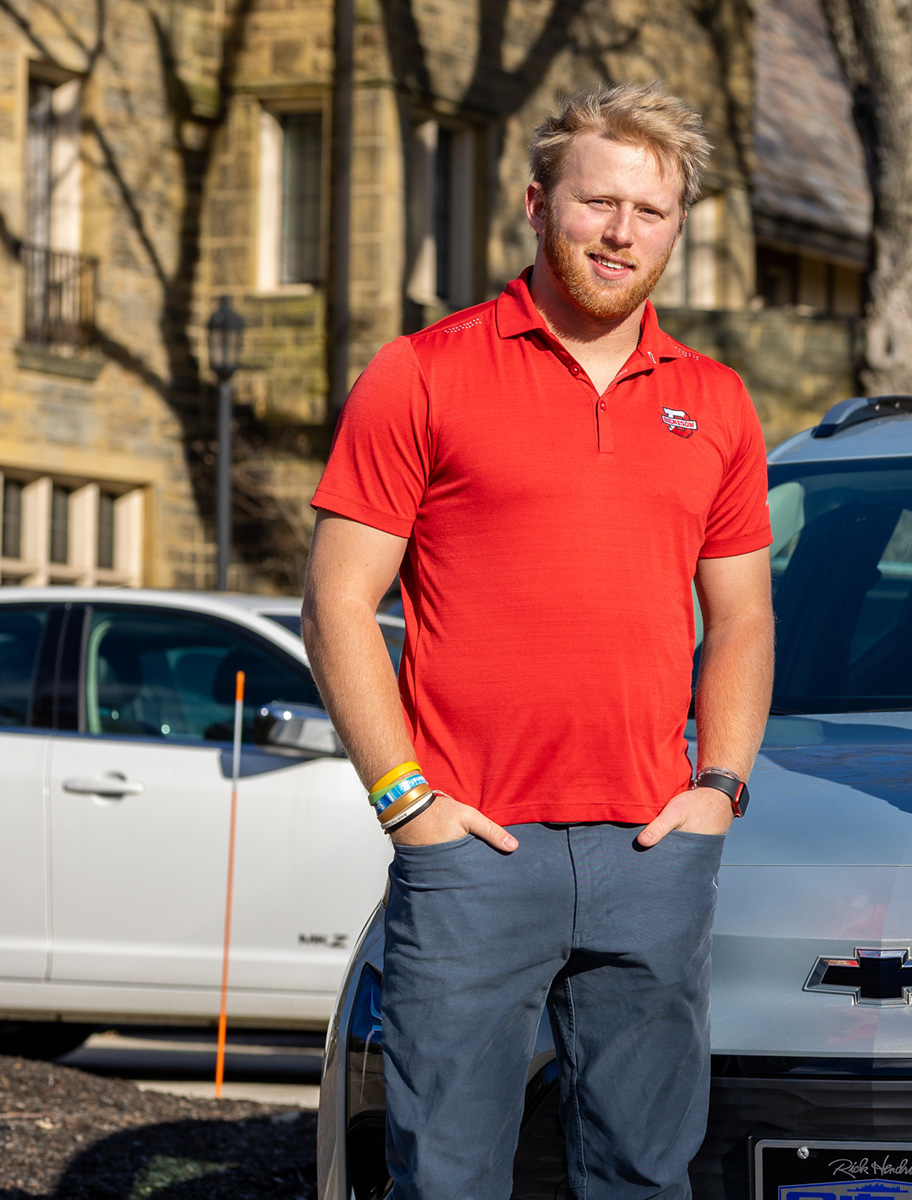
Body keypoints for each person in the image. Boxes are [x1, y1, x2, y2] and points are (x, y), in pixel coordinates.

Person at [301, 82, 774, 1199]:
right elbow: (334, 604)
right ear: (535, 204)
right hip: (471, 852)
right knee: (447, 1177)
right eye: (596, 202)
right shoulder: (420, 372)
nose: (620, 233)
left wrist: (720, 787)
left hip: (653, 850)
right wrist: (405, 803)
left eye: (649, 212)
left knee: (643, 1176)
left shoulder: (715, 402)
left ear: (675, 227)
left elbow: (743, 616)